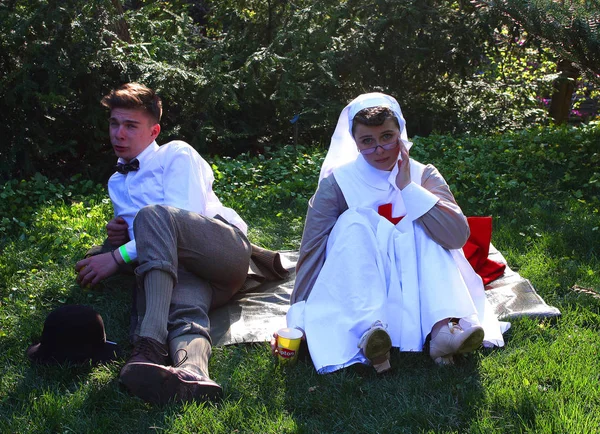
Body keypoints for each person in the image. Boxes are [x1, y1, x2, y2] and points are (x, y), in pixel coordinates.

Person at [75, 83, 286, 404]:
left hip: (223, 252)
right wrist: (117, 240)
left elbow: (178, 217)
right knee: (183, 308)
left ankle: (149, 341)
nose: (119, 133)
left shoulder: (176, 153)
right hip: (182, 271)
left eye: (131, 126)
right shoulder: (116, 182)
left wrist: (117, 257)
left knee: (152, 216)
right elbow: (151, 247)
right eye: (114, 123)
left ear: (153, 130)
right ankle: (193, 372)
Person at [276, 92, 508, 374]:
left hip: (418, 276)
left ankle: (443, 329)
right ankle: (370, 333)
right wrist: (296, 318)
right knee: (354, 221)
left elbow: (456, 236)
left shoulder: (424, 174)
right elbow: (312, 248)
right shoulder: (338, 183)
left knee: (422, 224)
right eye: (367, 142)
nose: (380, 150)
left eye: (387, 137)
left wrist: (409, 189)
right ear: (355, 143)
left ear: (400, 132)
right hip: (364, 275)